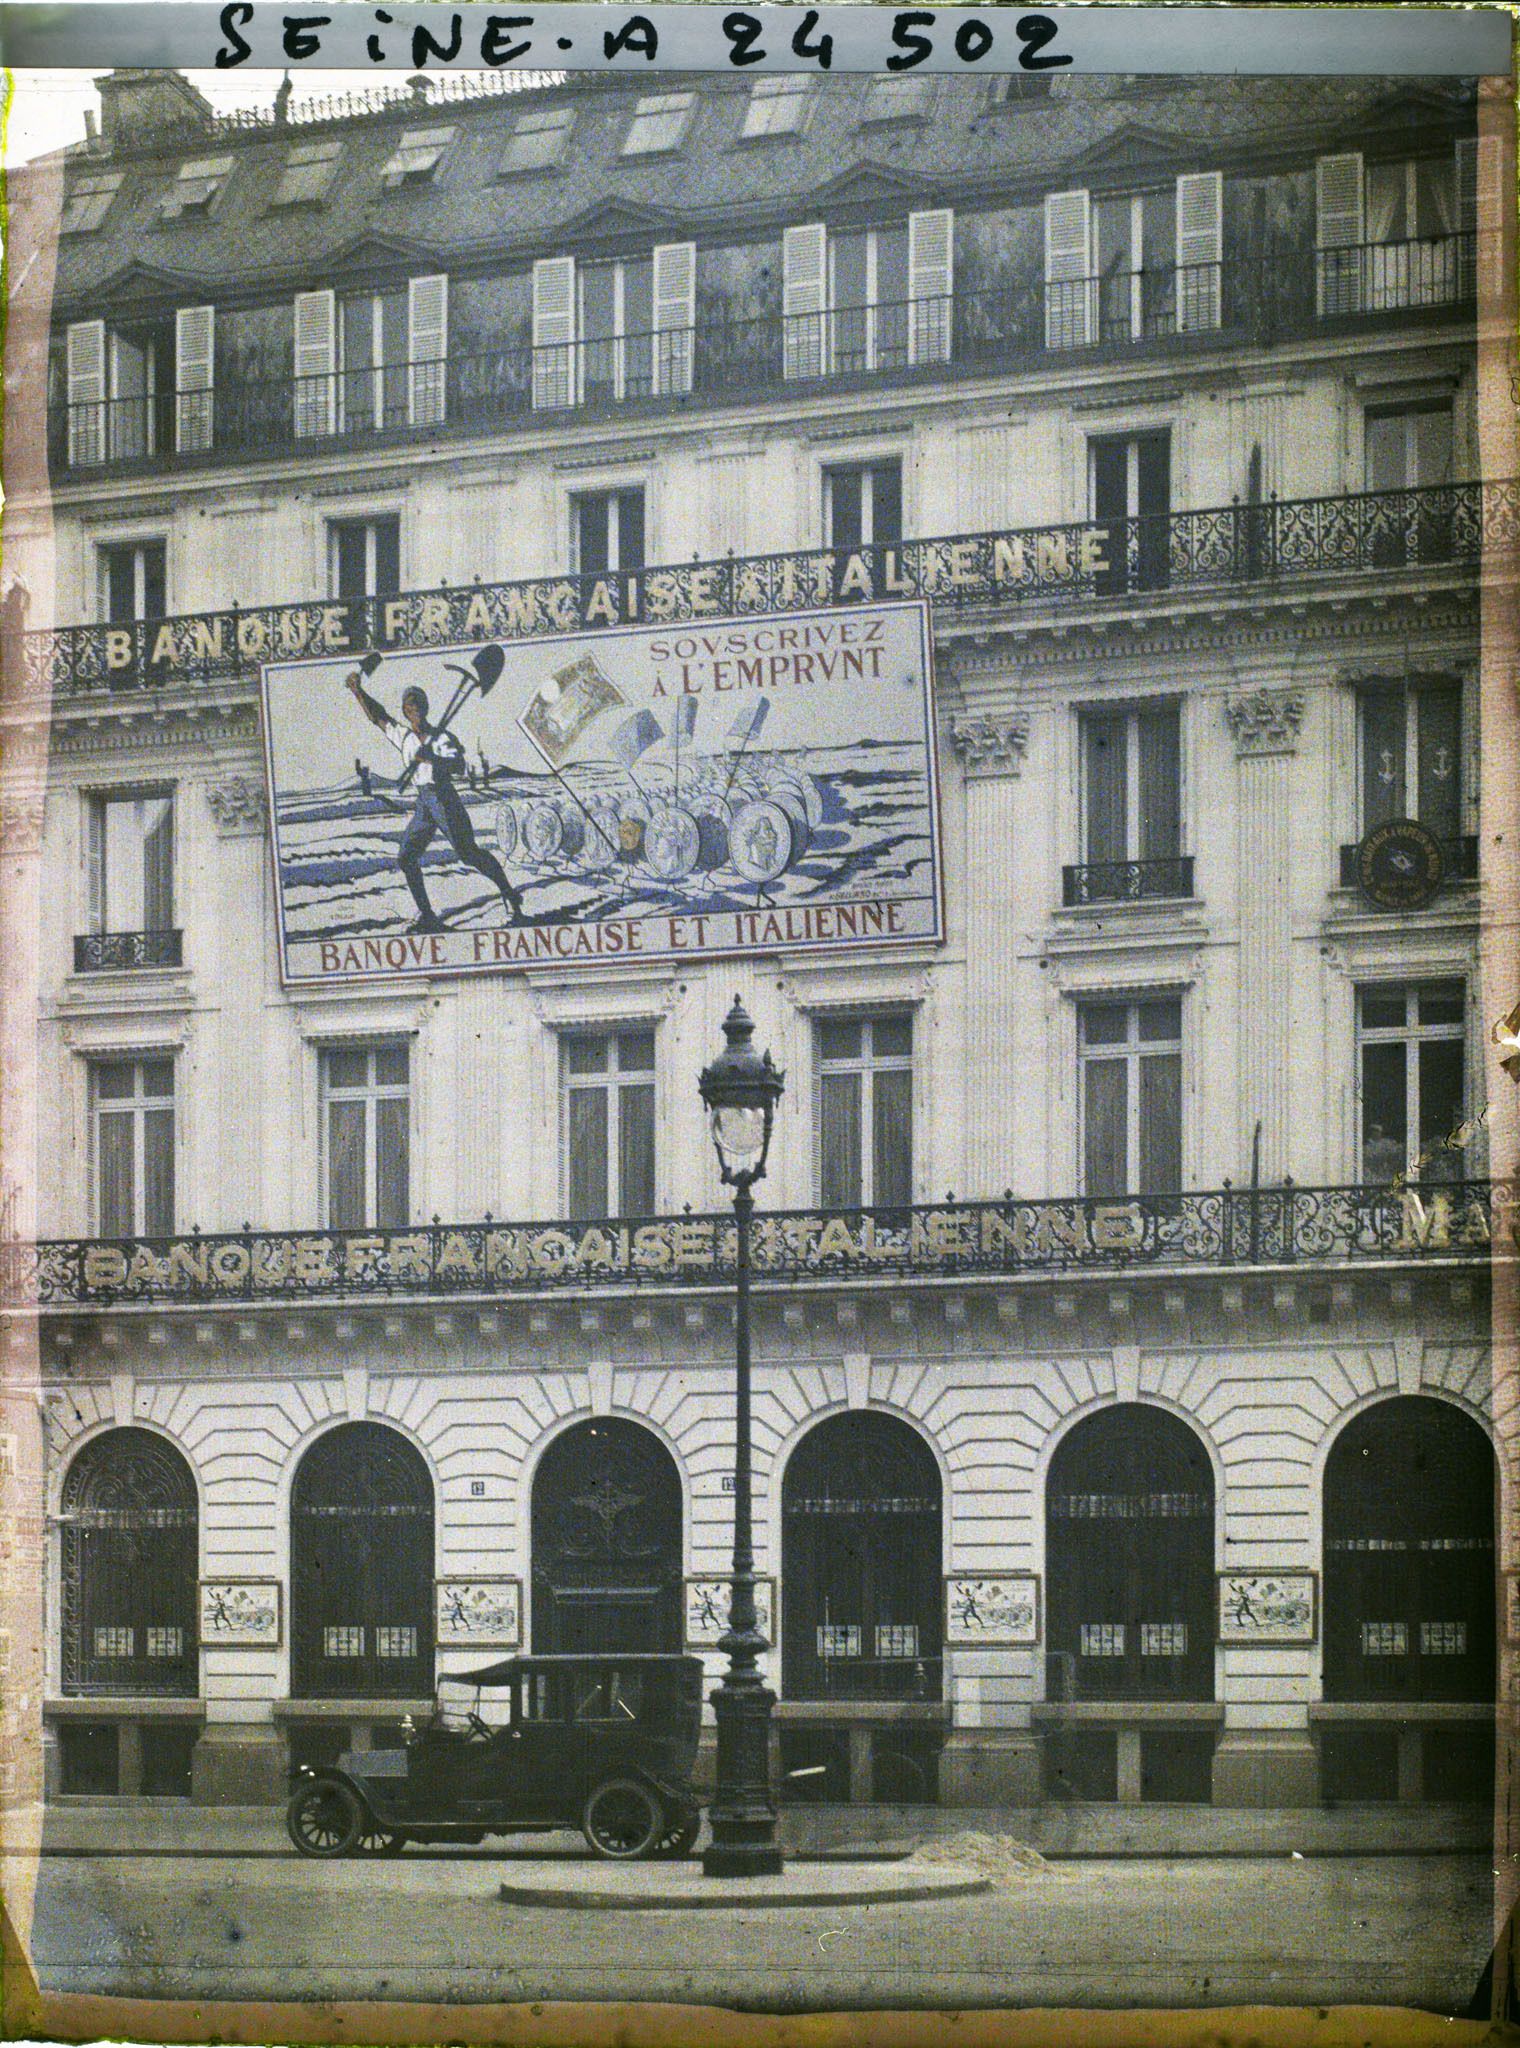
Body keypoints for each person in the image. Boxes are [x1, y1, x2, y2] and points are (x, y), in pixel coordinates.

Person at [346, 668, 523, 933]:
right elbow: (378, 717)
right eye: (409, 705)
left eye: (418, 704)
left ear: (425, 708)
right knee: (406, 857)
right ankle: (428, 915)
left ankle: (510, 895)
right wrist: (357, 691)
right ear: (405, 711)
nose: (414, 709)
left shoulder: (441, 738)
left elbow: (459, 766)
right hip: (424, 803)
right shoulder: (404, 736)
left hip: (444, 798)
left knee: (468, 854)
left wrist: (432, 759)